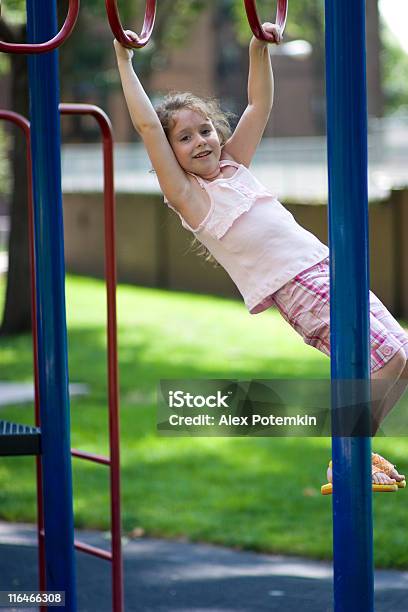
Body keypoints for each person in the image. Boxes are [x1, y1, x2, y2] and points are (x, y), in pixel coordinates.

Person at [113, 23, 408, 488]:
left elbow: (259, 104)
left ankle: (359, 451)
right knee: (384, 360)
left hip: (327, 268)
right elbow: (148, 124)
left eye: (205, 129)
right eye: (185, 139)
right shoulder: (190, 197)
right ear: (169, 155)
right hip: (296, 284)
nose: (201, 142)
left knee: (403, 358)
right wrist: (126, 62)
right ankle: (348, 459)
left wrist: (257, 48)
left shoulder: (234, 167)